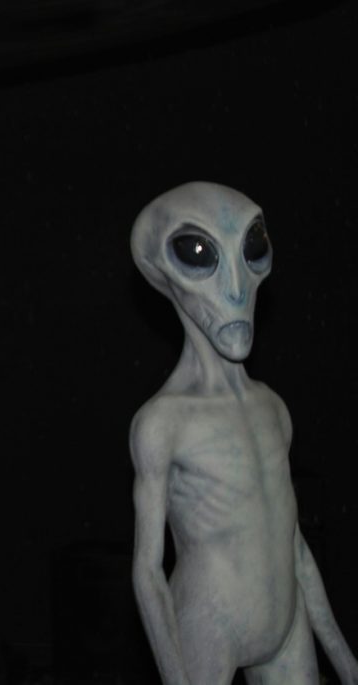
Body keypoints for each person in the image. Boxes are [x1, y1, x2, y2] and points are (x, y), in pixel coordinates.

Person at [129, 181, 358, 684]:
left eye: (252, 248)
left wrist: (343, 656)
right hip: (210, 624)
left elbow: (293, 543)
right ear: (162, 274)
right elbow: (147, 571)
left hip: (287, 624)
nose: (235, 289)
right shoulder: (163, 422)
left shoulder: (272, 409)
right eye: (199, 255)